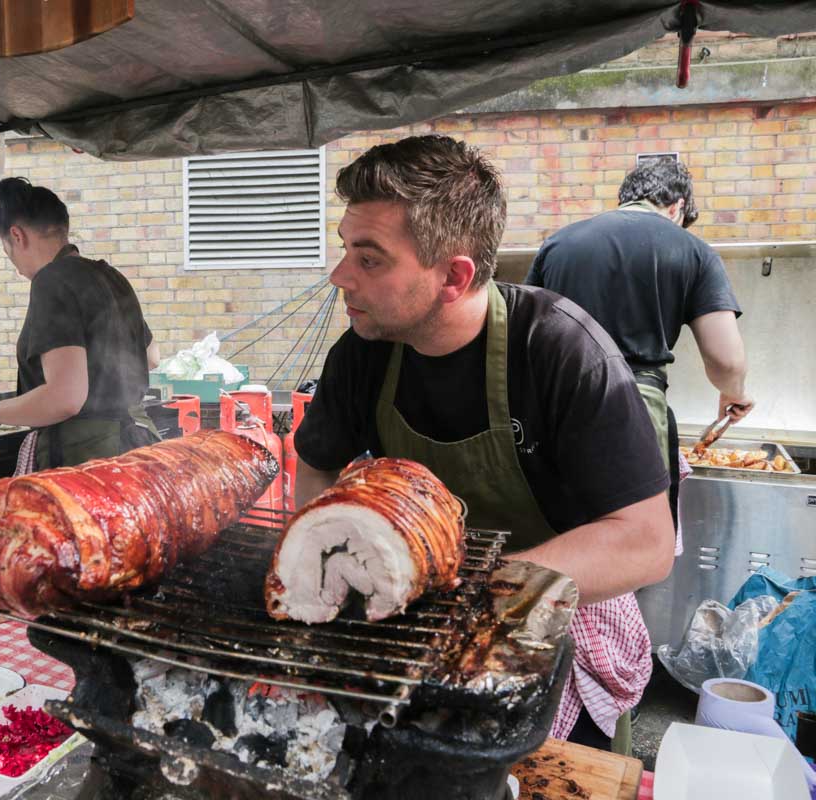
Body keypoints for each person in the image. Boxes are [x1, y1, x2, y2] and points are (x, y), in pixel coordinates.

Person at [293, 135, 675, 753]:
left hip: (555, 612)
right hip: (419, 605)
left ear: (454, 276)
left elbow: (647, 543)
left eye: (370, 259)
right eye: (345, 251)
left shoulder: (560, 352)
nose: (339, 277)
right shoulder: (362, 353)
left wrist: (484, 590)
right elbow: (313, 471)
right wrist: (323, 562)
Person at [526, 158, 751, 521]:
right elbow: (726, 360)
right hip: (633, 408)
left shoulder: (558, 243)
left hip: (553, 410)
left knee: (560, 535)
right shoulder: (693, 251)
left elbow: (523, 332)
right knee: (631, 541)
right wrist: (734, 393)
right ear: (677, 207)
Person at [0, 177, 160, 469]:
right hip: (138, 447)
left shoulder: (51, 281)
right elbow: (151, 357)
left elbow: (65, 399)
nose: (16, 269)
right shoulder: (109, 275)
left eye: (8, 253)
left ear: (17, 236)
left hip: (89, 461)